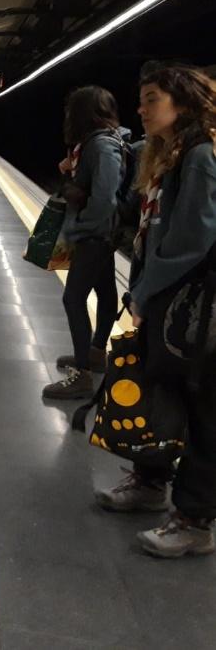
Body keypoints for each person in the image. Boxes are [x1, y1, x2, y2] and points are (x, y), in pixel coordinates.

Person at [95, 64, 216, 559]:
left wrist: (144, 296)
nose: (141, 111)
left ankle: (196, 519)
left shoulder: (202, 156)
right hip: (173, 298)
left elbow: (192, 240)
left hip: (197, 307)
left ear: (183, 104)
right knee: (160, 388)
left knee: (203, 405)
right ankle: (150, 480)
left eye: (151, 101)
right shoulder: (173, 155)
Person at [43, 86, 128, 399]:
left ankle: (82, 376)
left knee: (73, 298)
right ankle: (95, 353)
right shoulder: (100, 142)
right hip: (103, 233)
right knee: (106, 291)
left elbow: (104, 197)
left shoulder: (101, 146)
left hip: (96, 234)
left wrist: (81, 226)